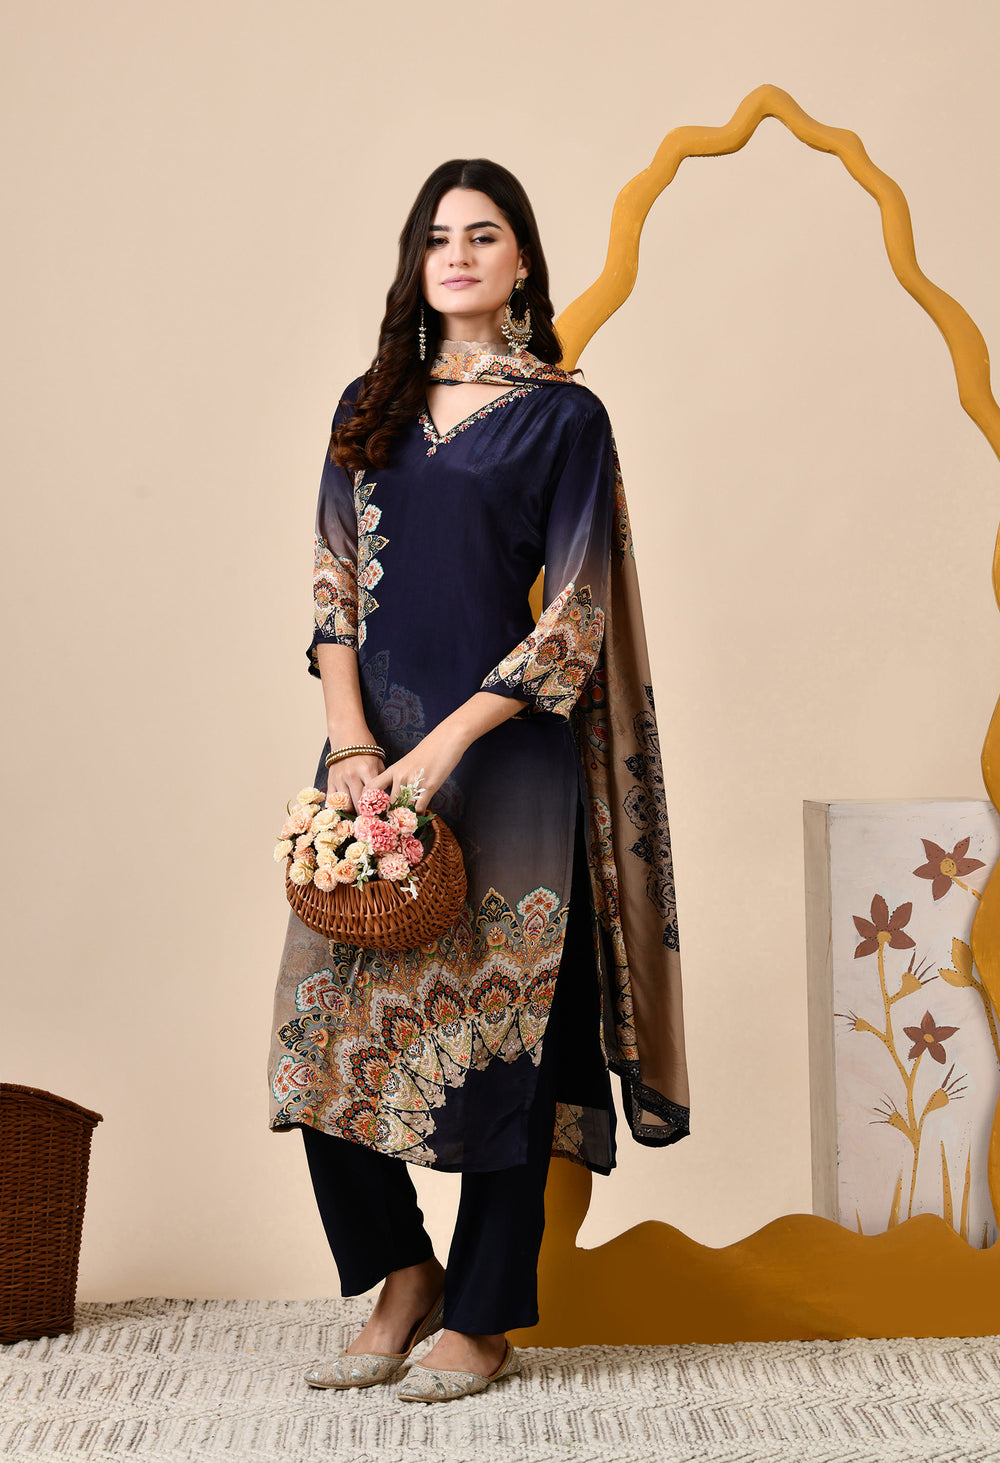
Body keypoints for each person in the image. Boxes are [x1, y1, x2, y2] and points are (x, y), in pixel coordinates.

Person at [268, 158, 690, 1403]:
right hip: (368, 759)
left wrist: (445, 747)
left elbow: (576, 611)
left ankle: (485, 1312)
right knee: (321, 1032)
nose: (456, 254)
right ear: (417, 262)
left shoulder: (564, 416)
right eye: (437, 236)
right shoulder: (369, 407)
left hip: (508, 759)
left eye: (483, 234)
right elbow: (332, 590)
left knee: (506, 1034)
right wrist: (354, 746)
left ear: (521, 264)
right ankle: (404, 1275)